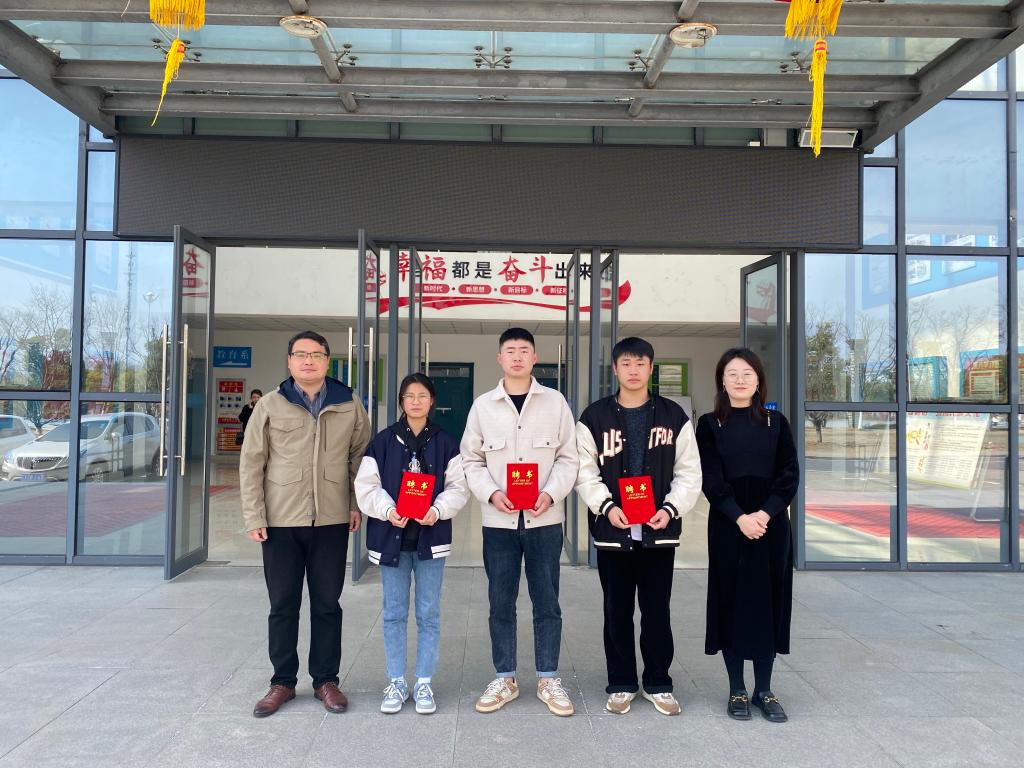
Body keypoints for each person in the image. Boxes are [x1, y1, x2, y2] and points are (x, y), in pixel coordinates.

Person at [240, 330, 371, 718]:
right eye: (301, 354)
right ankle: (282, 681)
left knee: (327, 603)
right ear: (289, 361)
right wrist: (254, 515)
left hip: (331, 519)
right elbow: (251, 462)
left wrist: (354, 504)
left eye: (316, 354)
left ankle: (326, 680)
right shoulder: (271, 404)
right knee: (282, 603)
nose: (308, 360)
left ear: (328, 361)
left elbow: (361, 459)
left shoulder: (348, 403)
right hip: (280, 520)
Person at [575, 337, 702, 716]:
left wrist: (671, 508)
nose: (633, 370)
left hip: (658, 530)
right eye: (626, 364)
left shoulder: (673, 416)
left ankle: (659, 683)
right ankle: (621, 683)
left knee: (656, 610)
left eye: (640, 363)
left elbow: (689, 471)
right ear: (615, 369)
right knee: (616, 610)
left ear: (651, 368)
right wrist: (606, 506)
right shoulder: (594, 417)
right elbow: (584, 471)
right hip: (613, 531)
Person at [461, 327, 580, 716]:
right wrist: (492, 493)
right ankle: (505, 678)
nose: (516, 356)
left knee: (547, 601)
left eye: (524, 350)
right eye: (510, 350)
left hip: (545, 519)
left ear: (534, 357)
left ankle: (548, 678)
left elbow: (569, 457)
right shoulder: (483, 406)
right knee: (500, 601)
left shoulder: (555, 403)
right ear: (499, 358)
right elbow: (470, 460)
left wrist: (552, 493)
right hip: (499, 521)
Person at [695, 347, 799, 723]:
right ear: (722, 381)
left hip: (771, 526)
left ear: (758, 381)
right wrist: (740, 517)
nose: (740, 380)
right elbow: (710, 478)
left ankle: (764, 689)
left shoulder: (776, 423)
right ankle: (737, 689)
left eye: (747, 374)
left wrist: (764, 514)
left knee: (768, 603)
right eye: (732, 374)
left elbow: (789, 474)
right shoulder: (710, 424)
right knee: (732, 603)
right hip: (729, 525)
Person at [354, 373, 469, 715]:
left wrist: (437, 510)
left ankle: (423, 682)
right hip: (393, 540)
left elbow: (458, 487)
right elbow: (366, 486)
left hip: (430, 540)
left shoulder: (445, 442)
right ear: (401, 401)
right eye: (409, 396)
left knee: (428, 613)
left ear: (432, 401)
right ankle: (396, 681)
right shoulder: (383, 441)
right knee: (393, 613)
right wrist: (388, 510)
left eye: (422, 396)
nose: (416, 401)